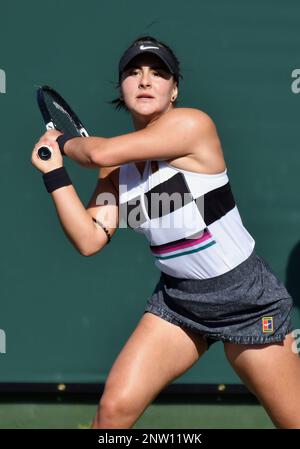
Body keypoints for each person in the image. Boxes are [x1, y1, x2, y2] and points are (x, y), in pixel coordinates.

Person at [31, 35, 300, 429]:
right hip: (179, 302)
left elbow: (98, 153)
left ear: (174, 90)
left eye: (158, 74)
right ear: (121, 88)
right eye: (134, 73)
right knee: (113, 411)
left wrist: (62, 142)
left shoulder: (192, 125)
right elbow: (89, 238)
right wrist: (55, 175)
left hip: (247, 299)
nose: (145, 81)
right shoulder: (116, 171)